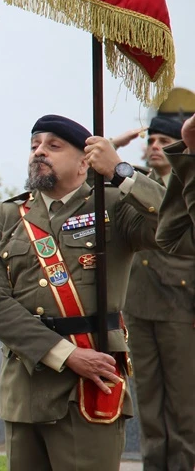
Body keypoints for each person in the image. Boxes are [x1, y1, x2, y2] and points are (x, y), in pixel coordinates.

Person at [0, 114, 174, 471]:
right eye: (35, 145)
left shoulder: (113, 205)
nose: (39, 152)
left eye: (53, 146)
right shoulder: (6, 216)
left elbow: (176, 224)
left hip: (89, 386)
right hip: (26, 386)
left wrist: (121, 171)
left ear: (85, 162)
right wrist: (65, 354)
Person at [121, 115, 195, 471]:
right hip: (139, 303)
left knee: (183, 404)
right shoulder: (136, 182)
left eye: (164, 141)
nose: (154, 147)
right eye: (150, 140)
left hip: (182, 304)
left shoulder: (186, 184)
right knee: (148, 402)